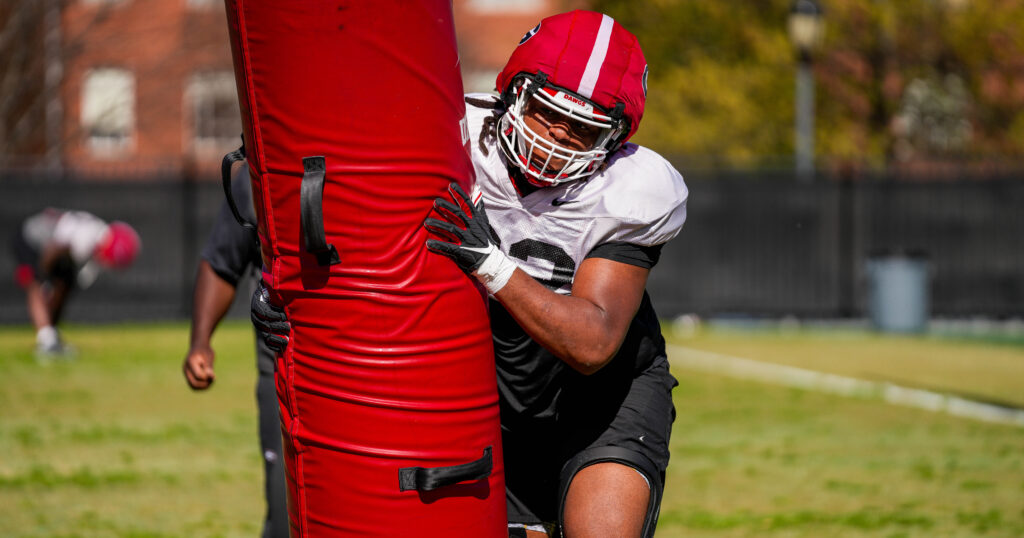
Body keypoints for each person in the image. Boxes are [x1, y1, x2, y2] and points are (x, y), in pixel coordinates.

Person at [253, 10, 687, 538]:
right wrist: (296, 300)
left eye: (583, 129)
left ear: (613, 140)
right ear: (512, 93)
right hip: (486, 382)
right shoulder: (448, 138)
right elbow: (355, 224)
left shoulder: (631, 190)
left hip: (598, 395)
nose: (557, 137)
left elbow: (592, 344)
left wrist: (491, 263)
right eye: (546, 112)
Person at [180, 164, 289, 538]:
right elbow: (222, 261)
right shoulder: (262, 173)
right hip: (285, 371)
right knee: (286, 513)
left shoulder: (386, 161)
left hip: (375, 370)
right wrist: (200, 342)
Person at [12, 207, 140, 358]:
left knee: (65, 284)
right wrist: (45, 278)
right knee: (37, 285)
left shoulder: (95, 239)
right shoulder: (87, 237)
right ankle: (47, 341)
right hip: (31, 238)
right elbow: (53, 250)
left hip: (50, 247)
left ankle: (51, 336)